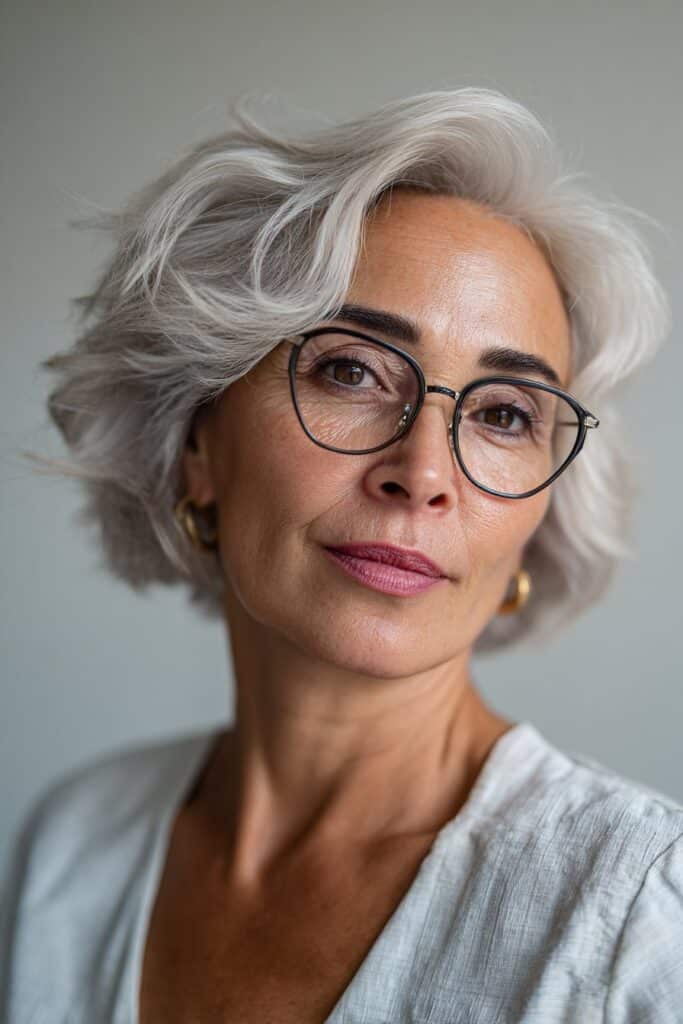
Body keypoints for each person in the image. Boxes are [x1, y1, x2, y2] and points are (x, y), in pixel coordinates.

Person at [1, 88, 681, 1023]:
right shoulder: (74, 845)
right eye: (350, 370)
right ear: (198, 441)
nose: (424, 473)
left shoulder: (639, 915)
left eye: (502, 415)